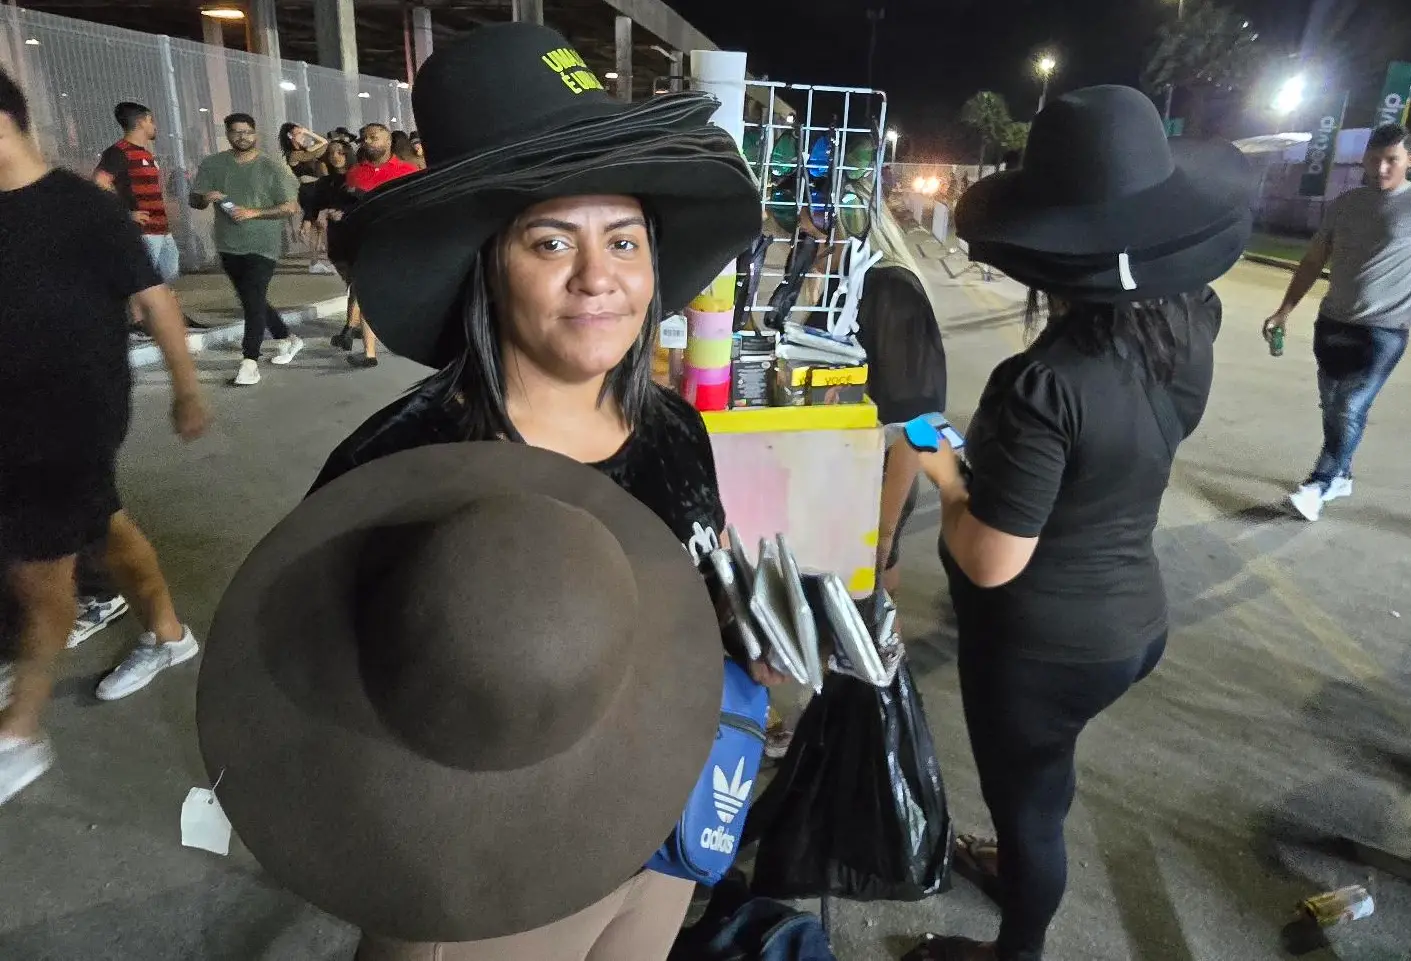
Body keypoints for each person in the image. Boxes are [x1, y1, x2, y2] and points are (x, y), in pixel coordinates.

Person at [301, 23, 775, 958]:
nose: (599, 279)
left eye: (625, 240)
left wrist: (754, 645)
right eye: (550, 240)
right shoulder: (404, 467)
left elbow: (696, 596)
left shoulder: (676, 432)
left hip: (664, 833)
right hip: (482, 885)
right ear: (486, 261)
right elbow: (310, 693)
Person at [903, 86, 1253, 961]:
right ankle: (1022, 867)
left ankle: (1016, 948)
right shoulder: (1191, 322)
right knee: (1041, 788)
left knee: (1034, 812)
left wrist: (936, 455)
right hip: (1132, 620)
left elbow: (987, 559)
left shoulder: (1043, 383)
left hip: (1044, 645)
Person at [0, 67, 210, 805]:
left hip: (67, 420)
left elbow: (157, 302)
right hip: (12, 421)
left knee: (37, 570)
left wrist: (186, 389)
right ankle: (169, 632)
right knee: (100, 524)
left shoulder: (82, 210)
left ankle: (20, 732)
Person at [1263, 122, 1410, 521]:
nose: (1381, 169)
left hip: (1384, 330)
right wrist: (1285, 310)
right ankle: (1342, 472)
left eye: (1391, 160)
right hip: (1332, 322)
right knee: (1332, 404)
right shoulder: (1345, 205)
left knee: (1348, 407)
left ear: (1408, 160)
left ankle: (1320, 484)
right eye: (1374, 159)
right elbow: (1314, 260)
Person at [189, 112, 304, 387]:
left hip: (262, 245)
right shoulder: (214, 165)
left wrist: (254, 213)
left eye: (247, 131)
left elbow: (291, 207)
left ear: (256, 134)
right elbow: (194, 201)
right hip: (229, 244)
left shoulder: (272, 167)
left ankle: (249, 361)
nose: (242, 136)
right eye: (236, 132)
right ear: (228, 135)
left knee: (252, 298)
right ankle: (288, 338)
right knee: (252, 300)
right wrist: (205, 197)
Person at [332, 122, 421, 369]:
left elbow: (415, 207)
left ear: (389, 141)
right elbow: (347, 208)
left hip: (397, 242)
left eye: (375, 137)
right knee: (364, 292)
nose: (369, 142)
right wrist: (340, 214)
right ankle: (369, 353)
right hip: (363, 242)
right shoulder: (355, 173)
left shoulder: (408, 171)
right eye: (365, 138)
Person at [94, 102, 180, 289]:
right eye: (151, 120)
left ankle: (165, 314)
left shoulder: (146, 154)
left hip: (161, 230)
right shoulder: (118, 152)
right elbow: (99, 183)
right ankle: (141, 317)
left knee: (166, 280)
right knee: (143, 287)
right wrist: (125, 214)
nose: (154, 126)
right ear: (141, 122)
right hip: (142, 233)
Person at [278, 121, 335, 275]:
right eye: (299, 133)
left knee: (319, 228)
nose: (303, 135)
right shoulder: (294, 154)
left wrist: (306, 132)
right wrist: (309, 133)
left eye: (303, 133)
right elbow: (323, 143)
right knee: (322, 226)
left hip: (317, 189)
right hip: (308, 191)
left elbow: (323, 144)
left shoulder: (304, 150)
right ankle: (325, 261)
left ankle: (316, 262)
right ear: (290, 136)